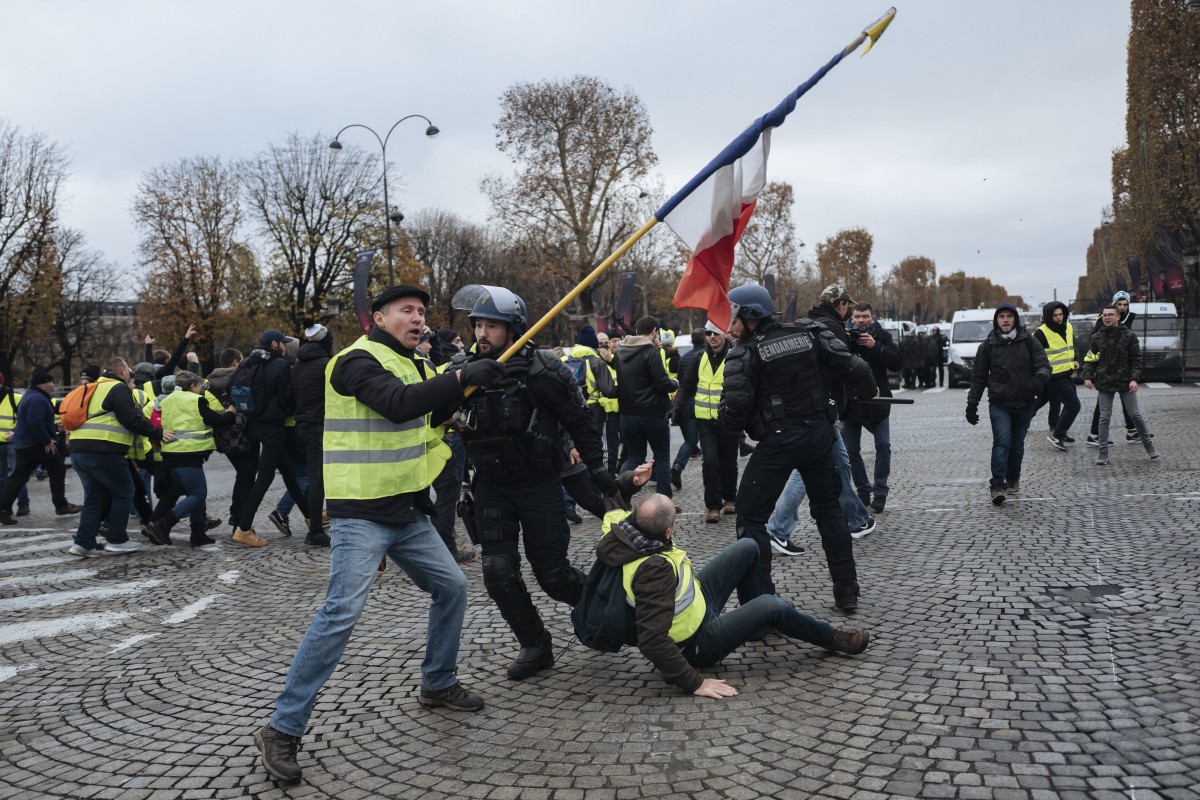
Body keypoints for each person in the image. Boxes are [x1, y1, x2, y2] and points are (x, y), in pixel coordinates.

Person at [253, 285, 507, 787]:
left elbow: (426, 411)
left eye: (421, 312)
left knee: (452, 587)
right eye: (406, 311)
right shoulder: (354, 361)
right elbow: (395, 404)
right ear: (379, 316)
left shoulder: (415, 363)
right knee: (341, 610)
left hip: (407, 510)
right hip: (360, 513)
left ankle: (437, 683)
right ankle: (282, 728)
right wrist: (459, 374)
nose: (417, 319)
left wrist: (464, 388)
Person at [447, 285, 616, 680]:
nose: (483, 334)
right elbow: (432, 409)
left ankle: (611, 610)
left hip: (540, 484)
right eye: (478, 325)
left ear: (515, 329)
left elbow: (580, 421)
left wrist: (599, 470)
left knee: (554, 577)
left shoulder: (543, 369)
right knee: (497, 574)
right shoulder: (460, 368)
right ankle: (536, 645)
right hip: (490, 486)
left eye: (493, 325)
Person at [597, 494, 870, 697]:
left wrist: (630, 481)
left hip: (698, 605)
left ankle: (758, 625)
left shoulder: (624, 532)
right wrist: (695, 683)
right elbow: (651, 639)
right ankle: (830, 637)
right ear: (668, 532)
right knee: (770, 605)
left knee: (748, 546)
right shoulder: (654, 569)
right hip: (697, 643)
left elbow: (612, 504)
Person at [719, 283, 877, 612]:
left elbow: (733, 411)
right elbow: (853, 366)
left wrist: (728, 445)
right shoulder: (810, 333)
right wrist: (864, 393)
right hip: (819, 435)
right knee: (829, 511)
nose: (729, 327)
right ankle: (847, 592)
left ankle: (758, 603)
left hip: (778, 441)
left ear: (750, 317)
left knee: (749, 517)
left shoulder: (745, 353)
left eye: (733, 318)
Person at [66, 358, 168, 556]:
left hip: (79, 450)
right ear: (121, 371)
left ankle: (83, 542)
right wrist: (157, 433)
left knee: (95, 497)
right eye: (129, 373)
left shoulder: (94, 387)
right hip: (103, 450)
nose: (131, 376)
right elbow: (131, 418)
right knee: (125, 491)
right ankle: (117, 540)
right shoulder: (118, 388)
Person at [964, 303, 1051, 505]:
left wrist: (1039, 379)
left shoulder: (1028, 340)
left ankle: (1013, 478)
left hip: (1025, 401)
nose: (1005, 320)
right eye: (1001, 316)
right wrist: (972, 404)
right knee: (1002, 440)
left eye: (1009, 316)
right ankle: (997, 485)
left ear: (1015, 319)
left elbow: (1044, 365)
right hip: (999, 402)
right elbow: (978, 378)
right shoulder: (987, 346)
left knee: (1017, 445)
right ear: (996, 320)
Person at [231, 328, 309, 547]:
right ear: (275, 344)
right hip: (274, 425)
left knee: (289, 473)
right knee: (264, 478)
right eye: (282, 342)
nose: (285, 346)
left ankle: (311, 516)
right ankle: (244, 528)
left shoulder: (247, 362)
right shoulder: (280, 365)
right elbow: (287, 397)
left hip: (253, 423)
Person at [142, 371, 236, 547]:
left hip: (170, 454)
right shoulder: (196, 400)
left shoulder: (167, 400)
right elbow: (215, 420)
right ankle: (164, 524)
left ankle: (198, 533)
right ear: (192, 386)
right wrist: (230, 413)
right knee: (198, 494)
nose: (201, 390)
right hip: (187, 454)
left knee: (193, 493)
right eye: (199, 386)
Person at [673, 326, 739, 523]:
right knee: (710, 461)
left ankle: (729, 499)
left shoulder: (735, 355)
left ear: (725, 335)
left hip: (729, 419)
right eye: (708, 334)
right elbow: (687, 386)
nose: (712, 338)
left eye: (716, 334)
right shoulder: (698, 358)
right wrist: (676, 405)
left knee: (728, 460)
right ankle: (713, 506)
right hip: (705, 420)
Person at [0, 368, 81, 525]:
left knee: (19, 476)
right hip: (34, 443)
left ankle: (3, 508)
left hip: (22, 444)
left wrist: (54, 430)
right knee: (57, 465)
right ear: (42, 384)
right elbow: (35, 422)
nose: (53, 385)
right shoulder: (38, 399)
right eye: (51, 382)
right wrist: (47, 441)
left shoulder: (31, 396)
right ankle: (61, 505)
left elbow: (36, 421)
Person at [842, 302, 902, 513]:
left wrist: (874, 346)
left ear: (873, 318)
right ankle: (863, 490)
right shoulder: (844, 336)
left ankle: (881, 491)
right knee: (851, 450)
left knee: (883, 445)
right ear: (852, 318)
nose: (861, 320)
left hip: (879, 403)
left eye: (865, 316)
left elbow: (896, 363)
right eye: (857, 317)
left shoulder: (882, 336)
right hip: (852, 404)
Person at [1083, 304, 1158, 465]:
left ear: (1118, 317)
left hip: (1125, 381)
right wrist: (1088, 376)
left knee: (1135, 415)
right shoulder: (1096, 338)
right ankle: (1103, 453)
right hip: (1105, 382)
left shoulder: (1129, 336)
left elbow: (1136, 360)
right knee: (1104, 418)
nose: (1107, 317)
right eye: (1104, 315)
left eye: (1110, 314)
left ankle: (1149, 447)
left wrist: (1134, 379)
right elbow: (1091, 359)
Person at [614, 316, 678, 500]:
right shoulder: (650, 352)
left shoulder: (620, 351)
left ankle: (617, 493)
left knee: (633, 457)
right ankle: (663, 501)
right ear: (655, 332)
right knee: (662, 457)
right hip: (652, 414)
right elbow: (662, 383)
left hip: (627, 414)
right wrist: (675, 382)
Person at [287, 323, 334, 547]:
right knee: (318, 479)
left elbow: (289, 397)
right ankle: (315, 530)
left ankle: (322, 522)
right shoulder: (327, 365)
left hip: (302, 425)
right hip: (320, 426)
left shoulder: (297, 366)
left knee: (316, 476)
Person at [205, 349, 258, 528]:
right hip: (244, 435)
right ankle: (239, 518)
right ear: (235, 362)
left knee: (241, 476)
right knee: (247, 477)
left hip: (222, 436)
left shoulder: (209, 382)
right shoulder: (240, 377)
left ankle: (236, 514)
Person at [1086, 291, 1141, 446]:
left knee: (1126, 400)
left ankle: (1131, 430)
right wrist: (1089, 374)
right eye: (1119, 304)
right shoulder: (1104, 320)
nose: (1123, 307)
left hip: (1123, 370)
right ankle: (1094, 434)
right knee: (1102, 407)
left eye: (1125, 304)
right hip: (1107, 370)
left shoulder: (1129, 318)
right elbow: (1094, 347)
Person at [1033, 301, 1082, 450]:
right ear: (1048, 316)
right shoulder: (1040, 333)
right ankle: (1057, 435)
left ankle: (1061, 431)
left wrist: (1075, 359)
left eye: (1061, 314)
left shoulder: (1068, 326)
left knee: (1068, 404)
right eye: (1055, 315)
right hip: (1053, 377)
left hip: (1066, 373)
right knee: (1074, 405)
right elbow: (1032, 355)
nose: (1059, 318)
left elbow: (1070, 345)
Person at [669, 328, 705, 490]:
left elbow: (682, 383)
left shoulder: (684, 359)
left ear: (692, 341)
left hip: (684, 405)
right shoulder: (707, 357)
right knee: (693, 440)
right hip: (701, 403)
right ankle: (677, 466)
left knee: (690, 440)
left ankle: (677, 467)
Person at [0, 372, 31, 517]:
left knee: (17, 475)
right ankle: (5, 507)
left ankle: (23, 504)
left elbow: (26, 418)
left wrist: (16, 432)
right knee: (1, 478)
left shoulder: (15, 398)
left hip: (13, 442)